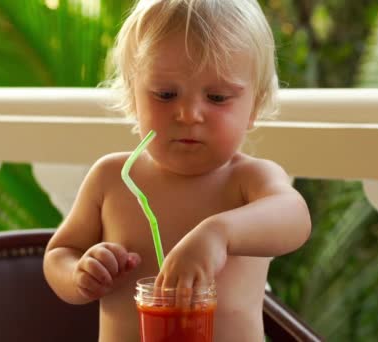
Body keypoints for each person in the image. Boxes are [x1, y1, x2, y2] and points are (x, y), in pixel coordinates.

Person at [43, 0, 311, 341]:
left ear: (253, 108)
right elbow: (59, 253)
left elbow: (296, 218)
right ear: (133, 98)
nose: (188, 114)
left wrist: (219, 234)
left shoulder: (249, 180)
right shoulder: (112, 178)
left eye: (216, 97)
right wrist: (80, 273)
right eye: (165, 94)